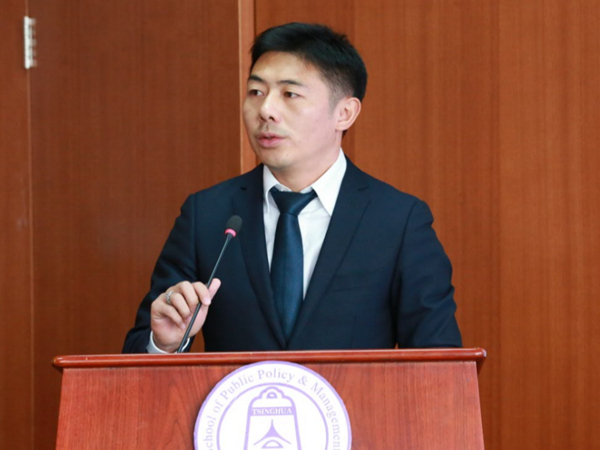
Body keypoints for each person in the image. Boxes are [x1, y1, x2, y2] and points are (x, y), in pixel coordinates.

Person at [123, 22, 462, 354]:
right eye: (256, 92)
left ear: (344, 113)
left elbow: (440, 365)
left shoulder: (399, 221)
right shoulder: (207, 215)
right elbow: (138, 353)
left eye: (290, 94)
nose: (266, 110)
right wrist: (164, 344)